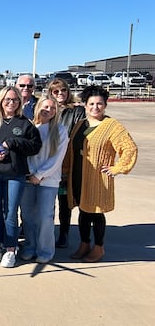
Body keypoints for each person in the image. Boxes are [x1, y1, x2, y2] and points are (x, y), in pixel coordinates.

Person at [63, 85, 138, 263]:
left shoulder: (112, 126)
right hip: (78, 175)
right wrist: (66, 170)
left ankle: (98, 247)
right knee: (83, 211)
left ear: (105, 105)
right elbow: (70, 149)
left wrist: (117, 168)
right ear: (85, 105)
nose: (95, 107)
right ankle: (84, 244)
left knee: (96, 213)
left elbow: (129, 148)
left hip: (97, 178)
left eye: (99, 104)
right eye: (91, 104)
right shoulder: (81, 124)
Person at [0, 86, 42, 269]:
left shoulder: (24, 123)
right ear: (0, 101)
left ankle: (10, 249)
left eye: (14, 100)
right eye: (7, 99)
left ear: (19, 102)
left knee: (11, 213)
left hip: (15, 175)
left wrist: (13, 143)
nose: (10, 103)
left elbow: (35, 145)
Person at [19, 97, 69, 263]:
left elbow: (57, 158)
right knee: (27, 216)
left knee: (44, 217)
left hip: (48, 181)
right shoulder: (29, 127)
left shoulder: (60, 130)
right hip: (28, 179)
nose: (49, 110)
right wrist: (30, 174)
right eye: (45, 106)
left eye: (53, 108)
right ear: (38, 107)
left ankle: (45, 251)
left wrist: (39, 175)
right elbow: (24, 154)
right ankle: (29, 247)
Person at [48, 78, 86, 248]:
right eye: (56, 91)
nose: (60, 94)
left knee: (64, 200)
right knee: (46, 201)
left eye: (63, 90)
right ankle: (47, 232)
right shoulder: (47, 110)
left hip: (66, 163)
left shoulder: (76, 111)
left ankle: (64, 233)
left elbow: (80, 134)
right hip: (48, 162)